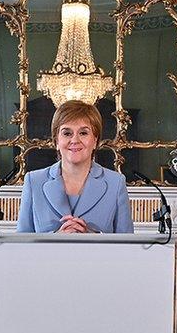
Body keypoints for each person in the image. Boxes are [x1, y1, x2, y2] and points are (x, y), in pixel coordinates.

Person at [17, 100, 133, 233]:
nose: (75, 140)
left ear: (95, 140)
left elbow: (127, 247)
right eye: (67, 133)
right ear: (56, 141)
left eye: (83, 133)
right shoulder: (33, 181)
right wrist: (56, 239)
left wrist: (89, 237)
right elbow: (21, 245)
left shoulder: (116, 183)